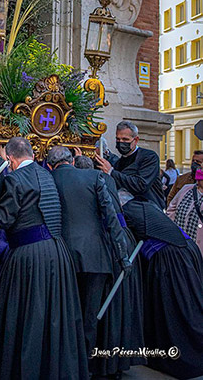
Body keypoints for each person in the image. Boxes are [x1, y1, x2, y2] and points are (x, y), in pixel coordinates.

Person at [0, 138, 88, 380]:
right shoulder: (46, 174)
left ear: (11, 160)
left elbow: (5, 219)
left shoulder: (14, 178)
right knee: (51, 317)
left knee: (23, 316)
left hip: (29, 256)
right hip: (57, 254)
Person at [47, 146, 131, 364]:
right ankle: (84, 366)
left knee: (62, 315)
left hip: (62, 257)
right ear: (73, 161)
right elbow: (111, 219)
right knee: (89, 318)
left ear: (49, 165)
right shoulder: (94, 177)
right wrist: (123, 256)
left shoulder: (47, 179)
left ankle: (64, 365)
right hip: (96, 256)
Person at [74, 153, 146, 377]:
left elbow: (108, 217)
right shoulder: (107, 179)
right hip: (120, 243)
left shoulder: (90, 183)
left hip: (111, 245)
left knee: (106, 311)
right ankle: (113, 364)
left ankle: (101, 365)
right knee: (117, 308)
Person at [123, 198, 203, 380]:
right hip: (183, 251)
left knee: (173, 310)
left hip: (171, 259)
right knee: (187, 307)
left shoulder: (128, 211)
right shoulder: (143, 206)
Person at [94, 120, 164, 209]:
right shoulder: (119, 162)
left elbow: (141, 184)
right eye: (118, 139)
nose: (121, 142)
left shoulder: (149, 157)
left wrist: (111, 172)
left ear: (136, 140)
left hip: (149, 210)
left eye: (125, 139)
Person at [167, 167, 203, 256]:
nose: (200, 172)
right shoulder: (187, 189)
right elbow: (171, 209)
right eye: (201, 168)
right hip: (179, 247)